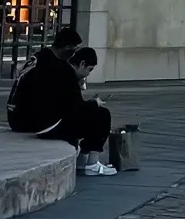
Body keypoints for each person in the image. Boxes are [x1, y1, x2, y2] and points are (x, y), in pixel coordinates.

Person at [7, 26, 116, 173]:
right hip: (40, 124)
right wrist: (93, 104)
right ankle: (92, 163)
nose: (74, 54)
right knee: (102, 115)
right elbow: (74, 108)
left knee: (88, 113)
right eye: (74, 49)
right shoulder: (59, 69)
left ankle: (83, 161)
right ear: (67, 47)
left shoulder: (39, 58)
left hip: (19, 118)